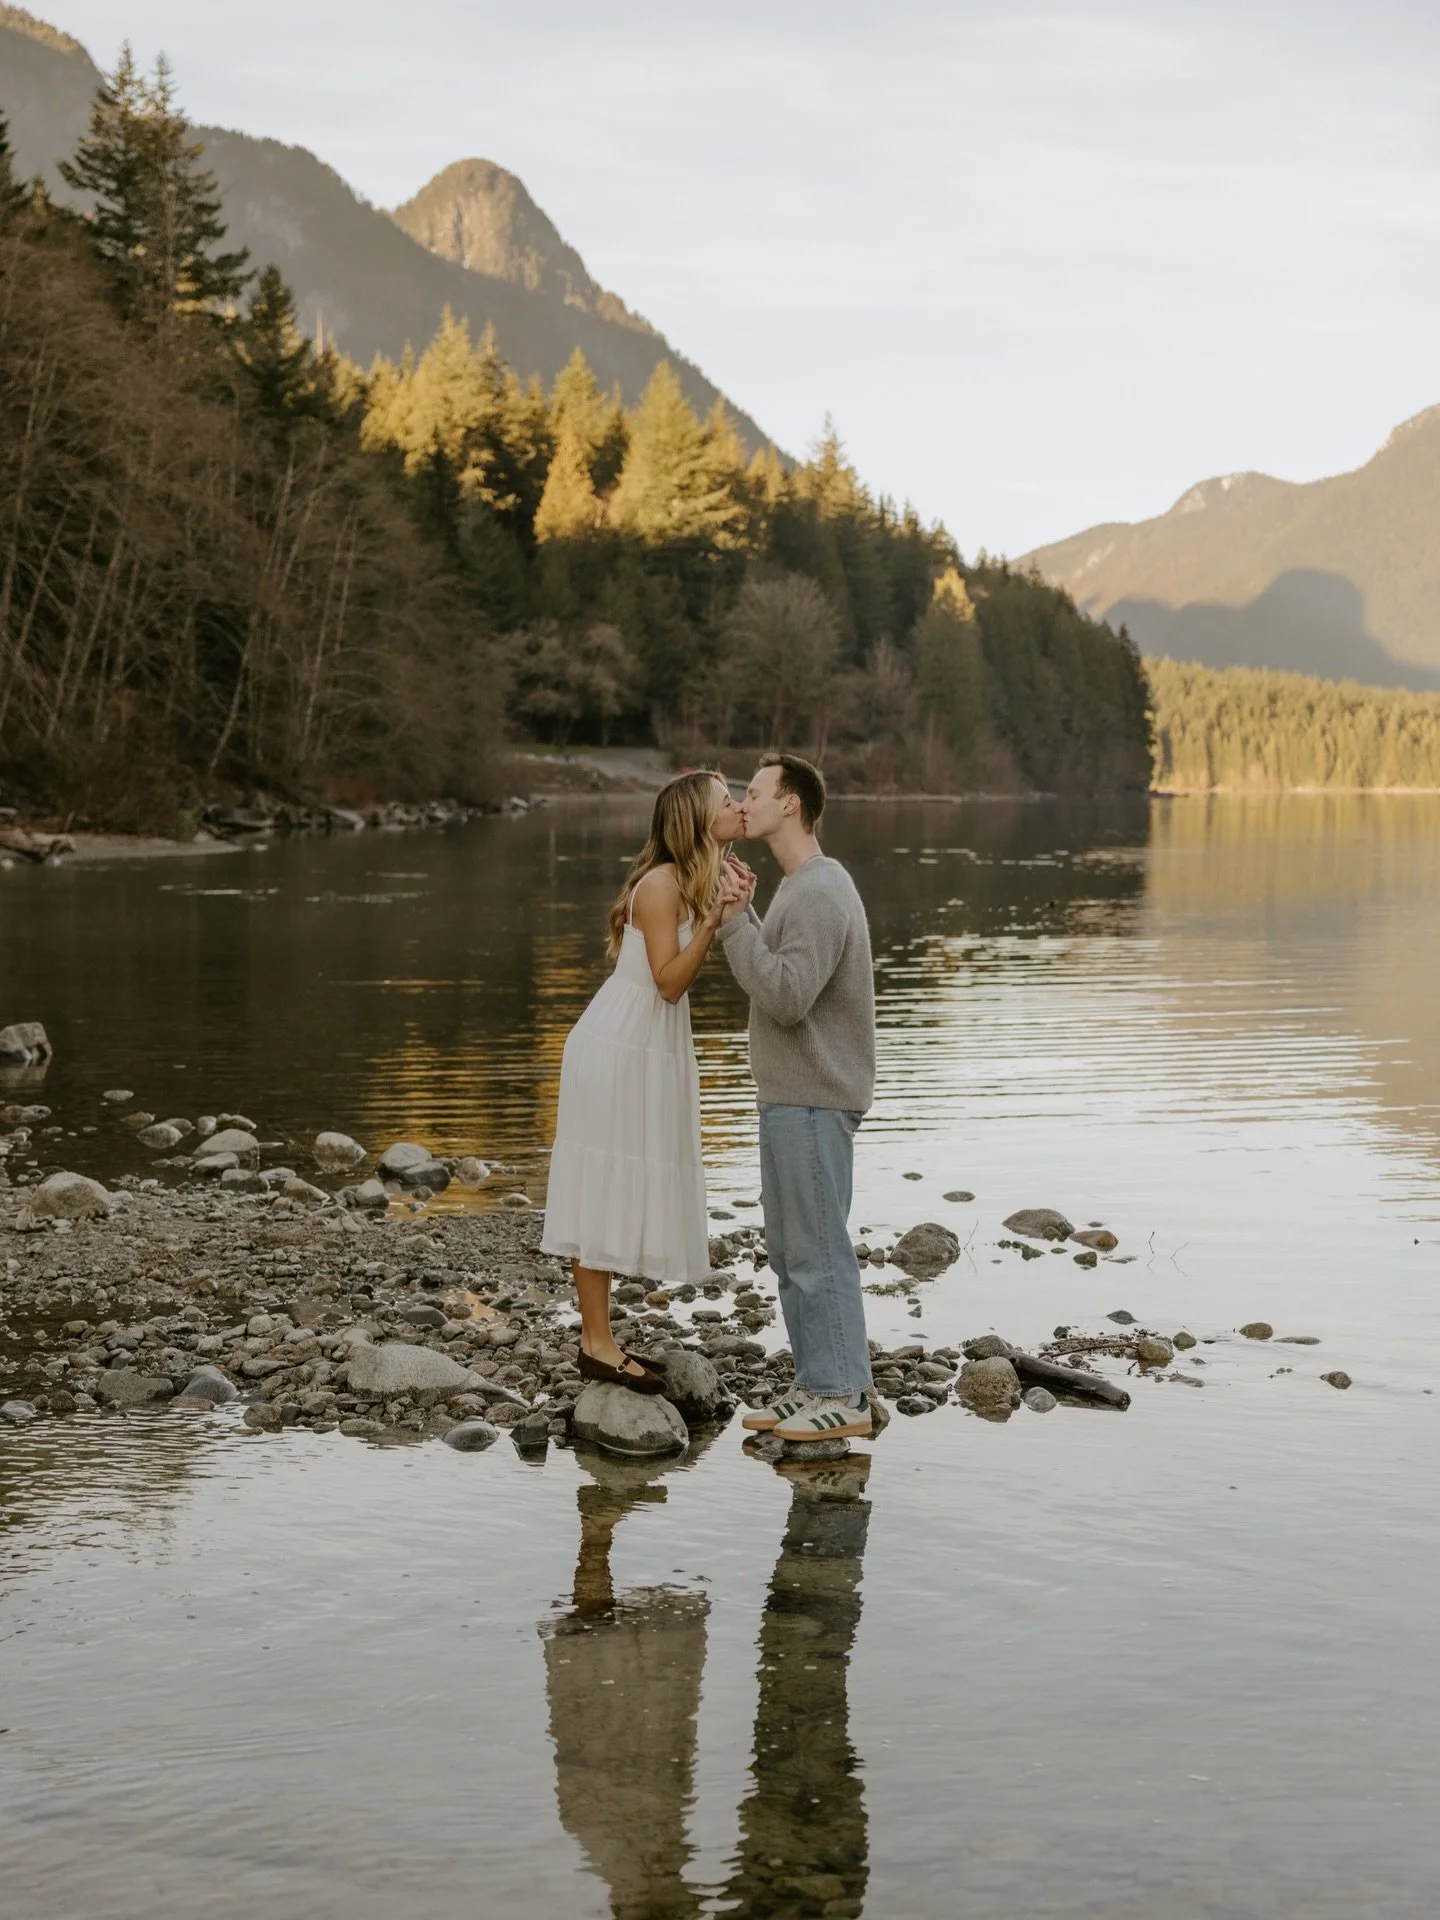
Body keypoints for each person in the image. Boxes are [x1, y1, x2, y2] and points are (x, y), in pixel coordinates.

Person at [541, 770, 749, 1392]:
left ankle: (600, 1338)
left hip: (644, 1042)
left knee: (618, 1176)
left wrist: (726, 906)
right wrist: (713, 922)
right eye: (727, 802)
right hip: (619, 1044)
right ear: (695, 819)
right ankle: (596, 1344)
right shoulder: (661, 885)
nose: (738, 807)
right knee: (601, 1183)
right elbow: (667, 982)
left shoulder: (694, 876)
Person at [715, 752, 877, 1441]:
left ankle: (846, 1394)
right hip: (791, 1096)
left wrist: (733, 923)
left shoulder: (816, 891)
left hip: (814, 1099)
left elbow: (784, 997)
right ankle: (816, 1384)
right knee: (790, 1251)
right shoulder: (800, 886)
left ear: (791, 805)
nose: (741, 803)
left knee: (817, 1251)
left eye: (753, 793)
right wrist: (748, 916)